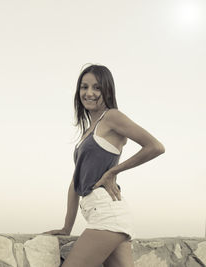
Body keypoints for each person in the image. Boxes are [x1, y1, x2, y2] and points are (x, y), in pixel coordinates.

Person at [43, 64, 165, 267]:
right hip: (102, 212)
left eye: (97, 88)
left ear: (107, 90)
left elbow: (155, 147)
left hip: (108, 212)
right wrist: (67, 227)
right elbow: (75, 182)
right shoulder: (89, 130)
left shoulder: (112, 117)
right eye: (84, 87)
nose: (89, 93)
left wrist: (113, 171)